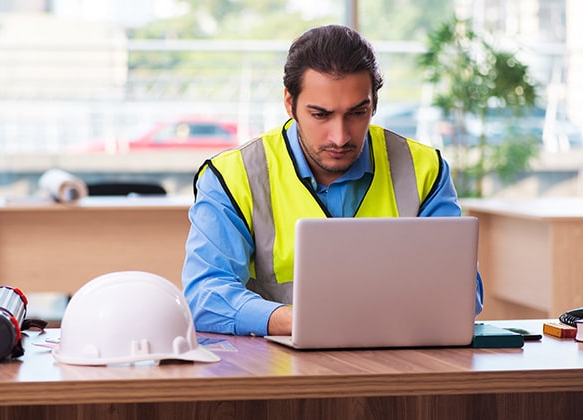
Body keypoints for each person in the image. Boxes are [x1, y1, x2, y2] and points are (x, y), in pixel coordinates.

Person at [181, 24, 484, 337]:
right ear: (290, 103)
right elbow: (205, 295)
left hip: (399, 362)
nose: (340, 137)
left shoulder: (425, 169)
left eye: (357, 113)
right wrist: (305, 321)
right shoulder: (234, 176)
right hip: (274, 369)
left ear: (374, 104)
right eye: (320, 115)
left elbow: (462, 294)